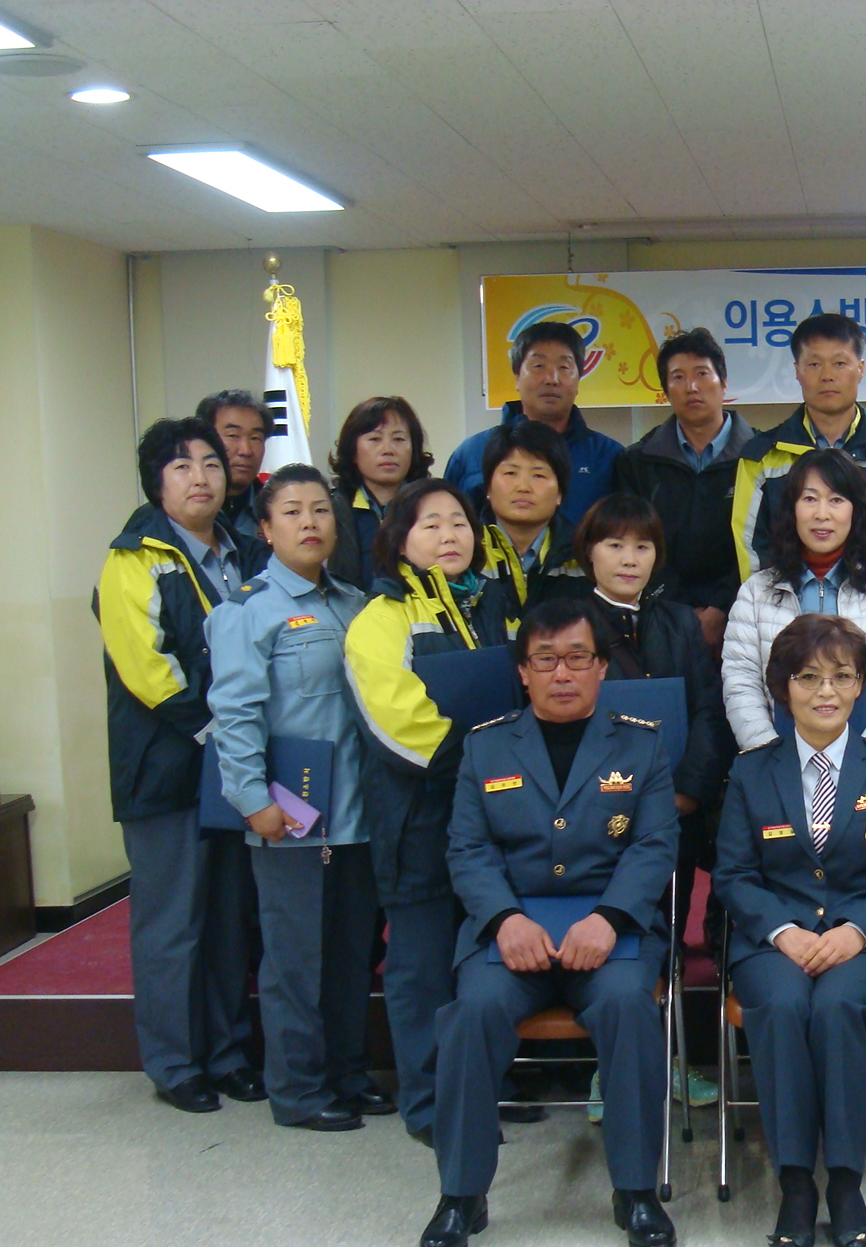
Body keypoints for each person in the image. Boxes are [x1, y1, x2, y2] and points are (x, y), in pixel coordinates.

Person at [418, 597, 680, 1247]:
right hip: (511, 933)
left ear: (601, 667)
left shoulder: (642, 744)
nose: (563, 674)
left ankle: (636, 1190)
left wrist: (610, 918)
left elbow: (654, 846)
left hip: (610, 931)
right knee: (472, 1013)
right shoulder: (484, 746)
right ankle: (460, 1194)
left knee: (627, 1007)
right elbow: (467, 850)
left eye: (577, 658)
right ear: (523, 671)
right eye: (546, 660)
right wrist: (504, 920)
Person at [714, 615, 866, 1247]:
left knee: (837, 1006)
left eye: (842, 676)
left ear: (862, 685)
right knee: (783, 1005)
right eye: (808, 677)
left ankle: (843, 1181)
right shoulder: (752, 771)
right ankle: (793, 1182)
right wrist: (783, 931)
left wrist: (857, 932)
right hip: (772, 939)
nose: (826, 691)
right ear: (782, 687)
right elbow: (733, 874)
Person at [206, 464, 386, 1130]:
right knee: (293, 959)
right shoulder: (247, 612)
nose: (309, 523)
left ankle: (348, 1074)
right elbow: (235, 715)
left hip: (356, 813)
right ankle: (298, 1090)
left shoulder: (354, 603)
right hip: (290, 813)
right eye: (291, 512)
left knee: (350, 955)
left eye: (320, 510)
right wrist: (252, 800)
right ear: (265, 528)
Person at [344, 479, 523, 1145]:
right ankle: (428, 1101)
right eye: (431, 524)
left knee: (482, 958)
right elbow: (397, 723)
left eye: (459, 523)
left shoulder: (491, 604)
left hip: (494, 814)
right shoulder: (382, 617)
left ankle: (485, 1087)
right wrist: (484, 762)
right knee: (421, 967)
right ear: (399, 539)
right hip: (418, 813)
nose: (450, 536)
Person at [93, 417, 262, 1114]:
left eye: (211, 464)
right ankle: (174, 1062)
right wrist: (217, 729)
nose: (201, 478)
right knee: (171, 923)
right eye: (182, 466)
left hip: (236, 764)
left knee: (228, 920)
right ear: (156, 483)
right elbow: (147, 667)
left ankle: (228, 1053)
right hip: (168, 767)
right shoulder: (133, 558)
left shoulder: (247, 551)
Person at [565, 491, 735, 1107]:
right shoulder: (569, 624)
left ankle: (670, 1060)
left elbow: (707, 709)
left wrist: (688, 789)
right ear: (589, 553)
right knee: (608, 940)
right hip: (596, 816)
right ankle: (607, 1068)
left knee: (666, 935)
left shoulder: (679, 621)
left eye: (642, 546)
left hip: (674, 811)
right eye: (615, 545)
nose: (629, 558)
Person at [723, 448, 866, 754]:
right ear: (792, 509)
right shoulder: (756, 592)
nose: (822, 514)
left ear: (856, 510)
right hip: (779, 764)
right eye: (809, 499)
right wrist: (769, 757)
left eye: (836, 500)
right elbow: (741, 683)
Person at [731, 312, 866, 580]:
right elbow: (751, 550)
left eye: (840, 363)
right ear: (797, 371)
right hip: (787, 602)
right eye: (814, 364)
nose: (827, 375)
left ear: (861, 369)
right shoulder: (762, 457)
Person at [612, 328, 754, 650]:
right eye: (678, 377)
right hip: (661, 618)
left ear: (724, 382)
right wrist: (681, 614)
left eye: (702, 373)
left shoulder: (760, 457)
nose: (691, 387)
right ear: (665, 391)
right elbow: (633, 541)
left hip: (745, 615)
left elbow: (763, 541)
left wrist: (722, 608)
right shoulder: (637, 462)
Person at [443, 320, 622, 524]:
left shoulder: (608, 457)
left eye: (564, 367)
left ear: (578, 380)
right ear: (517, 378)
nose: (552, 379)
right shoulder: (472, 454)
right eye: (538, 366)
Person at [475, 414, 579, 616]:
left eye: (538, 475)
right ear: (488, 487)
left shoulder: (583, 555)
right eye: (510, 473)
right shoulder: (466, 552)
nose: (523, 487)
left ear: (560, 493)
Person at [326, 395, 432, 588]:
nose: (388, 450)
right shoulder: (331, 510)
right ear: (353, 452)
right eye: (375, 439)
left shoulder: (432, 506)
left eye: (399, 439)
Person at [196, 388, 274, 548]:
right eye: (232, 436)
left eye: (255, 438)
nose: (246, 450)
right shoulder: (183, 509)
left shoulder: (274, 509)